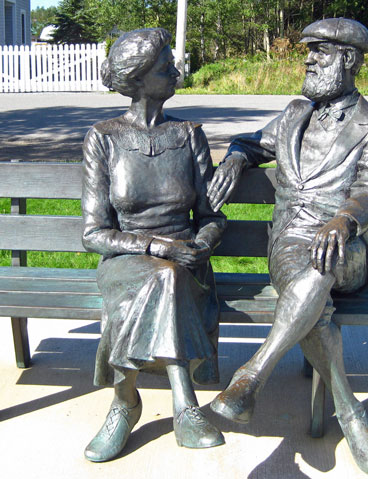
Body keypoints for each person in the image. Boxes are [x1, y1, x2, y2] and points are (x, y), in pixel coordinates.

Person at [207, 18, 368, 477]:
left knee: (319, 270)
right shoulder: (294, 113)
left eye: (320, 52)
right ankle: (351, 414)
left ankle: (252, 375)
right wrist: (235, 158)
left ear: (349, 60)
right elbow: (251, 143)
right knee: (313, 292)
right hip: (290, 243)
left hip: (346, 246)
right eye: (308, 52)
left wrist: (344, 219)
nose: (309, 60)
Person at [81, 28, 227, 462]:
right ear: (139, 78)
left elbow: (211, 217)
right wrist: (157, 248)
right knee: (163, 277)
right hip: (126, 260)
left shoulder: (188, 134)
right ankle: (184, 407)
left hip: (187, 263)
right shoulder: (104, 138)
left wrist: (202, 245)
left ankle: (125, 403)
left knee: (169, 278)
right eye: (166, 66)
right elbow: (94, 234)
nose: (176, 71)